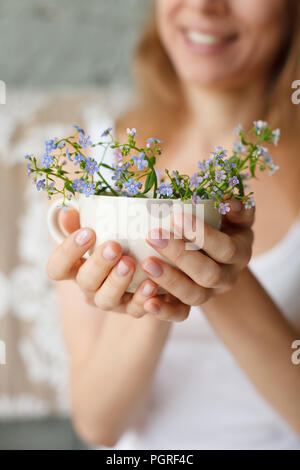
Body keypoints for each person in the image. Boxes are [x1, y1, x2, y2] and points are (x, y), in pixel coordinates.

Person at [46, 0, 300, 450]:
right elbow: (98, 426)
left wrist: (221, 278)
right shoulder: (96, 165)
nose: (204, 6)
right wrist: (156, 288)